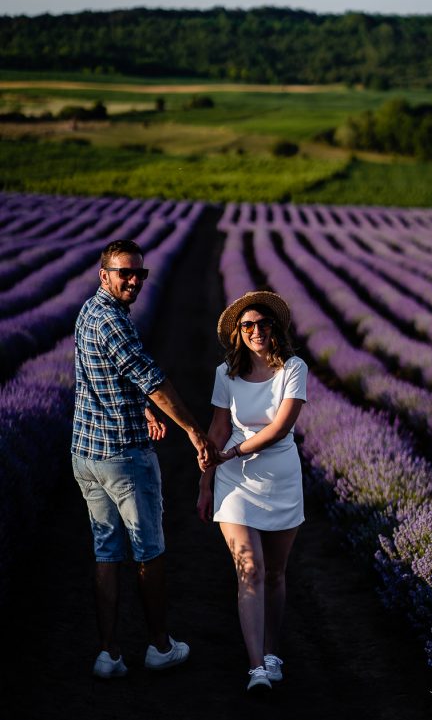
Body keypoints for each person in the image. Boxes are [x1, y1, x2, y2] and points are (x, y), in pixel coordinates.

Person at [71, 239, 217, 679]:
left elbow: (103, 378)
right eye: (124, 273)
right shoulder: (114, 321)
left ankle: (108, 654)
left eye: (140, 273)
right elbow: (151, 379)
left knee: (106, 552)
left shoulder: (87, 311)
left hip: (86, 453)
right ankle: (158, 647)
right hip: (123, 457)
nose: (134, 280)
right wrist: (195, 431)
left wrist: (142, 409)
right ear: (104, 274)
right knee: (148, 551)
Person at [197, 291, 308, 693]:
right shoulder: (224, 373)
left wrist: (231, 453)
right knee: (251, 571)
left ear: (274, 328)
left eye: (263, 324)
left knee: (276, 574)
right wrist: (206, 481)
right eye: (248, 326)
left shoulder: (294, 368)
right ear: (238, 334)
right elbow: (218, 430)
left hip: (280, 478)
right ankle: (256, 667)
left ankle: (272, 650)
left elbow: (280, 428)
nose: (256, 331)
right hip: (235, 481)